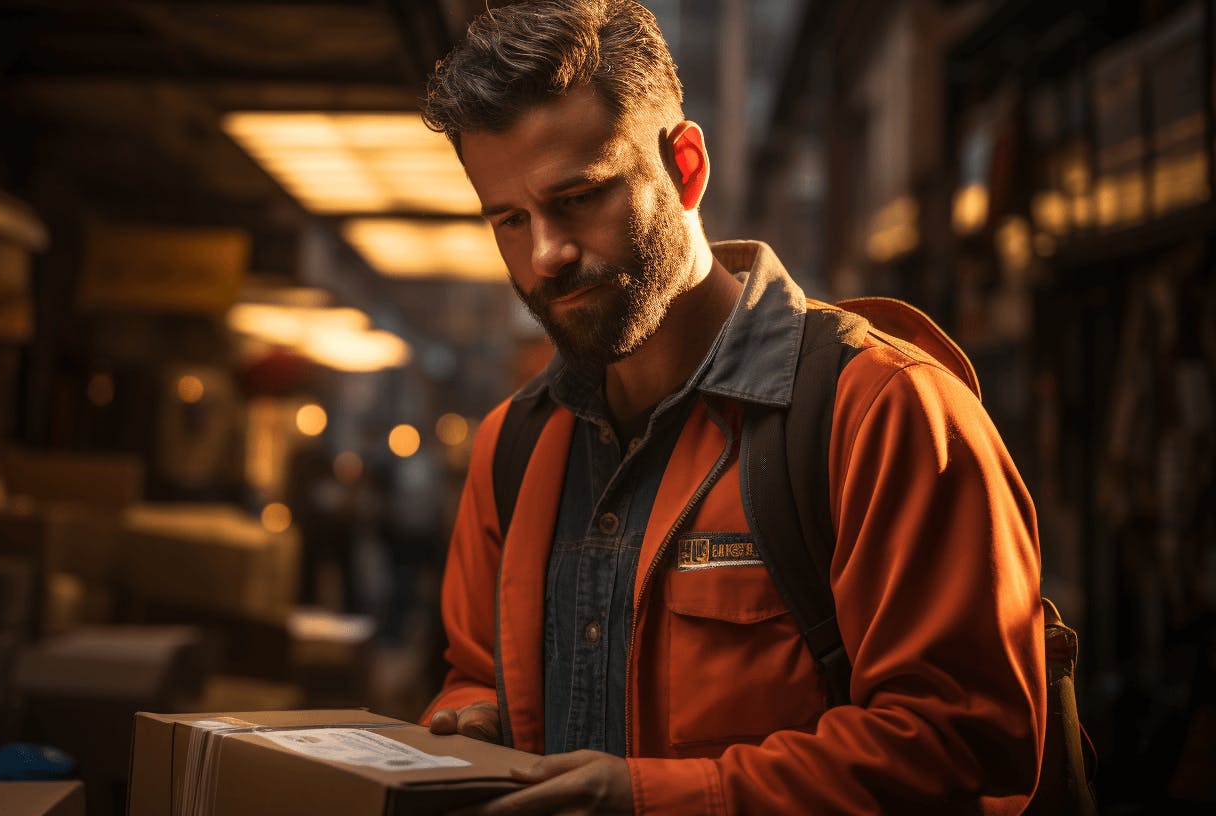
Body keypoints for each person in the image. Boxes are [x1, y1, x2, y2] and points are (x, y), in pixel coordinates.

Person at [417, 1, 1046, 813]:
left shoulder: (882, 411)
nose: (546, 254)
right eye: (509, 219)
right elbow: (472, 668)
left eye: (577, 198)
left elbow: (966, 740)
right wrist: (470, 721)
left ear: (685, 166)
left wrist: (657, 799)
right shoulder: (513, 448)